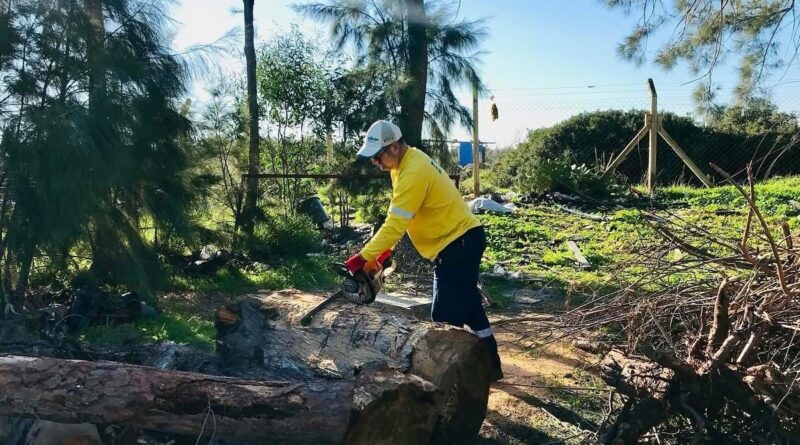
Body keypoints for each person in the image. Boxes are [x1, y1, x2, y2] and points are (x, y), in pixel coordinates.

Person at [344, 120, 503, 381]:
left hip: (457, 244)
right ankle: (490, 367)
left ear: (394, 147)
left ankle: (449, 380)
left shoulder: (412, 172)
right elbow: (402, 217)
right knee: (470, 304)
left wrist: (364, 258)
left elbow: (395, 223)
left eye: (378, 156)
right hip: (461, 240)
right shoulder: (404, 164)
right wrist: (384, 253)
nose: (376, 163)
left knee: (443, 317)